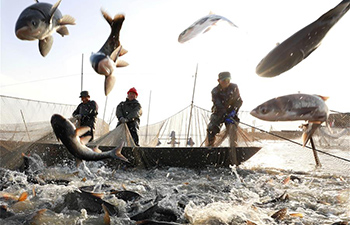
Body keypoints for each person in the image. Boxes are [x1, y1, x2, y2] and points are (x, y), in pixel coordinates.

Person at [207, 71, 243, 147]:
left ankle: (233, 146)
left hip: (231, 112)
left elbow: (239, 101)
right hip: (218, 112)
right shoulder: (215, 91)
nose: (226, 82)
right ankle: (210, 145)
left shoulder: (234, 87)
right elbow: (218, 104)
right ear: (219, 80)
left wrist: (233, 111)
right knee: (211, 128)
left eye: (228, 80)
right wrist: (225, 114)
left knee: (232, 127)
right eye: (224, 80)